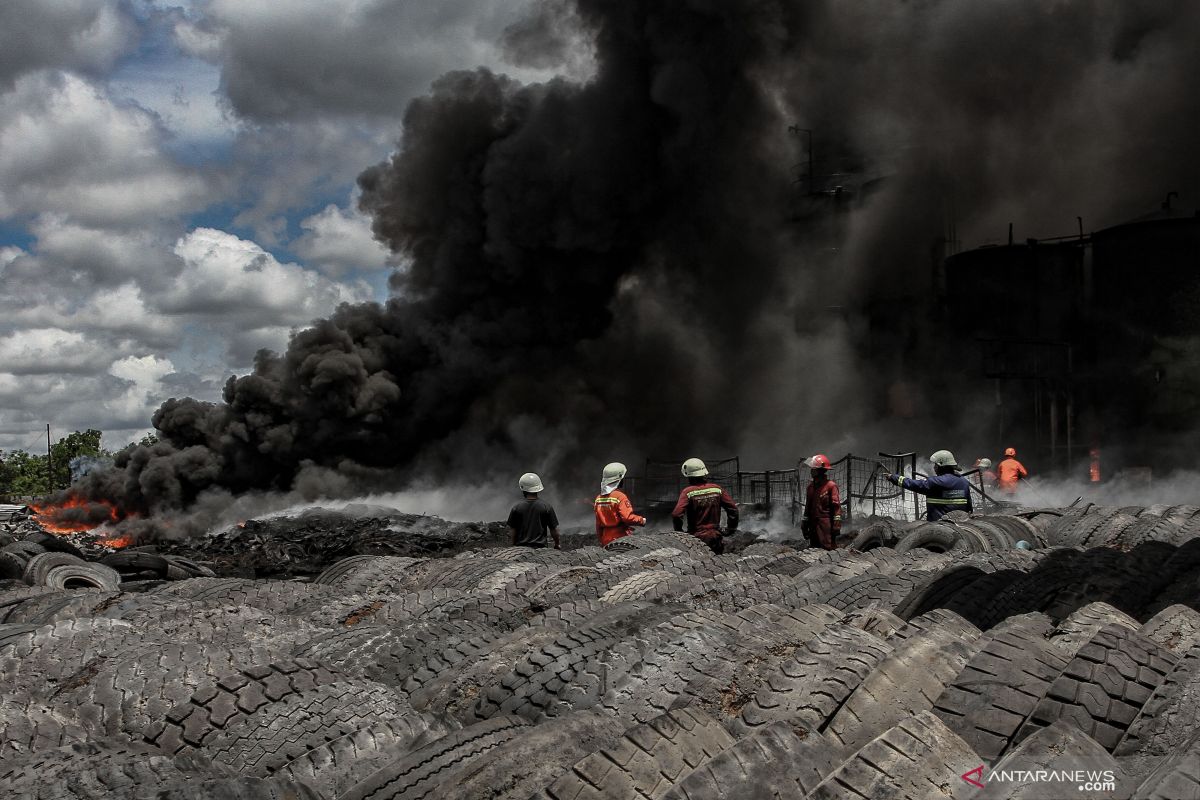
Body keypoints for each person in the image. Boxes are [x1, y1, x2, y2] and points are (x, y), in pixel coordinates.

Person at [671, 457, 738, 554]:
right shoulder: (717, 489)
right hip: (716, 537)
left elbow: (676, 514)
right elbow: (733, 510)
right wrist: (731, 529)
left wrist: (679, 533)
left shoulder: (688, 492)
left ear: (689, 476)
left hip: (696, 539)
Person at [886, 450, 973, 522]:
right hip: (962, 525)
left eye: (936, 465)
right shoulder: (964, 482)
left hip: (938, 528)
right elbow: (969, 508)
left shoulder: (936, 482)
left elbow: (913, 484)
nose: (934, 468)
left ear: (941, 466)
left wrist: (894, 478)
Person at [593, 461, 647, 546]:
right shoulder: (620, 497)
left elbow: (598, 524)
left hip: (605, 539)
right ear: (618, 480)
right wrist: (641, 520)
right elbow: (627, 518)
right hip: (620, 538)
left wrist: (601, 539)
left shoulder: (598, 499)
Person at [506, 472, 560, 549]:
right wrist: (557, 544)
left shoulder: (516, 507)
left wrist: (514, 545)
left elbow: (513, 530)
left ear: (523, 488)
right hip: (541, 549)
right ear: (538, 488)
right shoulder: (547, 507)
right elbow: (554, 529)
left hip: (521, 549)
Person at [801, 453, 841, 550]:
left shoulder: (831, 486)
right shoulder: (810, 487)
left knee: (828, 549)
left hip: (826, 525)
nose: (811, 471)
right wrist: (804, 523)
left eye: (813, 469)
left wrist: (836, 525)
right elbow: (807, 507)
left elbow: (836, 507)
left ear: (819, 470)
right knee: (814, 549)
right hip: (813, 524)